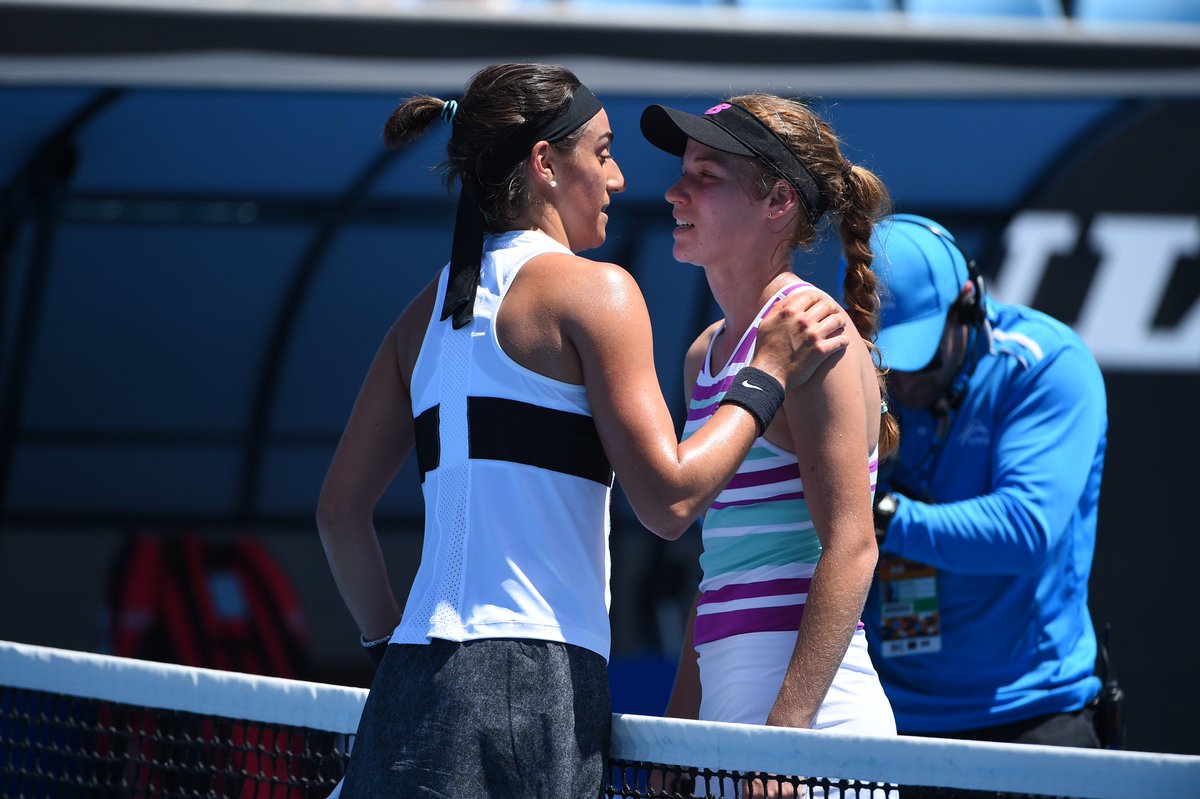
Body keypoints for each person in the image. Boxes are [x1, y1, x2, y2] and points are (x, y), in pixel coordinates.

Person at [316, 64, 851, 799]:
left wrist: (392, 655)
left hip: (411, 681)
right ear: (545, 164)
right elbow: (670, 503)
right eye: (602, 152)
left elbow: (338, 513)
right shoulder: (597, 291)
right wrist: (766, 370)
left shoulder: (421, 317)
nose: (622, 178)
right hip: (533, 680)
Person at [639, 94, 900, 765]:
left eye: (705, 176)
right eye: (682, 171)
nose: (675, 192)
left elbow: (853, 546)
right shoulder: (705, 352)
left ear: (777, 201)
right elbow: (720, 568)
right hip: (740, 723)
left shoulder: (819, 333)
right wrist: (679, 727)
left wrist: (783, 738)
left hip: (814, 726)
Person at [862, 213, 1107, 748]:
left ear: (967, 302)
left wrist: (882, 519)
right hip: (892, 720)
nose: (900, 380)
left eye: (919, 353)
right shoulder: (850, 371)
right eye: (884, 358)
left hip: (1032, 718)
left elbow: (1024, 531)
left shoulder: (1045, 365)